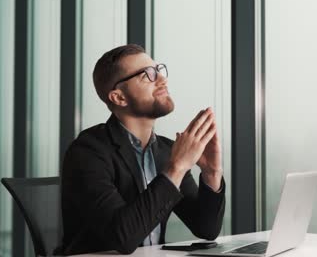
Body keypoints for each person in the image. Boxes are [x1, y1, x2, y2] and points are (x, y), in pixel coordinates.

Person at [60, 44, 226, 255]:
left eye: (159, 70)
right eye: (147, 75)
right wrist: (176, 168)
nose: (162, 79)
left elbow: (206, 228)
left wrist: (212, 173)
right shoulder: (87, 152)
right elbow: (123, 238)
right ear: (119, 97)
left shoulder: (165, 150)